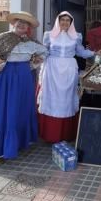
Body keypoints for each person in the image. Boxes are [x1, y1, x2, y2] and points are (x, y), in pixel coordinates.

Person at [0, 11, 47, 160]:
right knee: (1, 109)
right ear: (14, 23)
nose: (21, 24)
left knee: (20, 108)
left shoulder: (32, 42)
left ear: (28, 27)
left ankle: (19, 142)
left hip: (24, 78)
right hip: (4, 78)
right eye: (19, 21)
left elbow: (45, 52)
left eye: (25, 23)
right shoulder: (2, 38)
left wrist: (35, 62)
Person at [37, 11, 96, 143]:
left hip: (69, 69)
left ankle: (65, 134)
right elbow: (44, 51)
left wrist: (95, 53)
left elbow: (81, 52)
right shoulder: (49, 35)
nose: (64, 22)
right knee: (52, 99)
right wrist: (37, 59)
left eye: (67, 20)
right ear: (58, 21)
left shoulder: (76, 36)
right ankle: (50, 135)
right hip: (52, 69)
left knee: (67, 99)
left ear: (71, 23)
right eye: (62, 20)